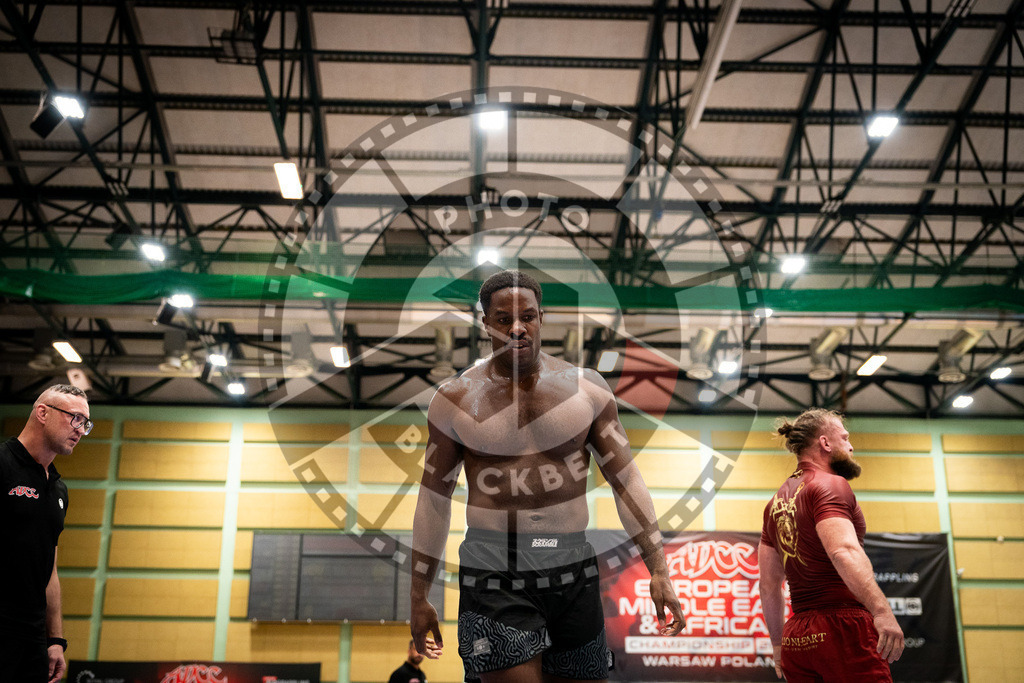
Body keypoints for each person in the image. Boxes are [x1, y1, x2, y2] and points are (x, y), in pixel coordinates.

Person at [410, 269, 684, 683]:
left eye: (527, 316)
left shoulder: (588, 390)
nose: (517, 328)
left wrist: (659, 570)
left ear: (542, 318)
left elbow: (626, 481)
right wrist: (419, 595)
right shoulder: (454, 399)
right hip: (493, 566)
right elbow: (433, 501)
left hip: (571, 562)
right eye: (503, 319)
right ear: (486, 323)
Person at [758, 408, 904, 682]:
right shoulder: (830, 484)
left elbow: (768, 585)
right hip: (843, 628)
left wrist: (778, 645)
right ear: (825, 443)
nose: (851, 446)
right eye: (845, 438)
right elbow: (843, 551)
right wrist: (881, 611)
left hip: (797, 638)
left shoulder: (773, 504)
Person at [1, 384, 88, 682]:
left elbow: (49, 569)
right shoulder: (3, 464)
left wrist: (55, 640)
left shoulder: (58, 490)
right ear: (42, 413)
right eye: (75, 418)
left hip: (33, 638)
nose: (80, 430)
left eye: (85, 423)